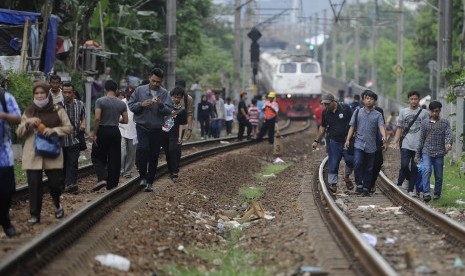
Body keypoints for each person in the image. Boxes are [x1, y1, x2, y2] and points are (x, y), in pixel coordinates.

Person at [16, 81, 73, 224]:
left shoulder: (57, 110)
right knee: (34, 184)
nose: (40, 96)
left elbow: (69, 128)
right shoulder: (28, 112)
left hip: (52, 152)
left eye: (42, 93)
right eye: (37, 93)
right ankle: (35, 214)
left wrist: (54, 130)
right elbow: (19, 133)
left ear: (47, 94)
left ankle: (56, 202)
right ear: (34, 95)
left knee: (55, 184)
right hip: (32, 153)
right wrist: (27, 123)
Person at [128, 68, 173, 192]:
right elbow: (131, 105)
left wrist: (161, 105)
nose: (155, 84)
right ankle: (142, 176)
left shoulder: (165, 93)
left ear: (161, 81)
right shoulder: (139, 90)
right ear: (149, 78)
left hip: (157, 128)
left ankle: (150, 182)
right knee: (142, 149)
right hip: (142, 126)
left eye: (158, 82)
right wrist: (141, 105)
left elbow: (169, 110)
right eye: (153, 81)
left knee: (154, 155)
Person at [345, 90, 386, 196]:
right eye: (367, 98)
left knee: (369, 168)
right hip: (359, 143)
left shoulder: (378, 115)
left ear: (375, 102)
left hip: (371, 145)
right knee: (357, 163)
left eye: (371, 99)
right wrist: (348, 139)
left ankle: (366, 188)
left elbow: (381, 126)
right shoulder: (357, 112)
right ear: (363, 100)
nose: (369, 101)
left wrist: (384, 137)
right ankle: (359, 184)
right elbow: (352, 126)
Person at [312, 94, 354, 193]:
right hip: (334, 141)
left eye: (327, 104)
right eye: (324, 104)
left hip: (347, 140)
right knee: (333, 162)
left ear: (333, 102)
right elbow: (322, 127)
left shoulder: (345, 108)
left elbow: (353, 122)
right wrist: (316, 141)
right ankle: (333, 184)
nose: (325, 106)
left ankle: (346, 176)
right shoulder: (325, 112)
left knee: (350, 160)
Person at [389, 91, 428, 196]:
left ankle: (411, 190)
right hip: (406, 143)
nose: (414, 101)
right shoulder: (403, 112)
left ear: (418, 100)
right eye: (412, 99)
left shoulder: (424, 113)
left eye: (415, 99)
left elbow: (427, 129)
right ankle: (410, 179)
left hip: (418, 146)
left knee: (415, 167)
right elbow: (399, 128)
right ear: (408, 100)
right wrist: (395, 141)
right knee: (404, 165)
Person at [91, 80, 128, 191]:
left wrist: (94, 133)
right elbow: (126, 120)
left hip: (102, 130)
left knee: (96, 156)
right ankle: (112, 184)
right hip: (115, 131)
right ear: (116, 90)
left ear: (105, 90)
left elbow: (97, 118)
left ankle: (102, 177)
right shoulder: (121, 103)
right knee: (114, 158)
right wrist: (117, 120)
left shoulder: (100, 101)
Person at [415, 101, 453, 202]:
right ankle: (427, 193)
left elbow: (449, 134)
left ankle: (437, 194)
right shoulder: (424, 123)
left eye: (437, 111)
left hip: (439, 153)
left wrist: (449, 143)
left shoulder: (445, 122)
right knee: (426, 170)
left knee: (439, 175)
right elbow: (421, 139)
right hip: (426, 151)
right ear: (429, 111)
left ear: (440, 111)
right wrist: (417, 154)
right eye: (433, 111)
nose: (435, 113)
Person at [0, 75, 21, 237]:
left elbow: (17, 118)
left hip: (4, 155)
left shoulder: (5, 97)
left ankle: (4, 219)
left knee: (7, 191)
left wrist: (3, 116)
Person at [59, 83, 86, 193]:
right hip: (61, 141)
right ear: (62, 93)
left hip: (74, 140)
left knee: (73, 163)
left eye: (69, 92)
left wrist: (83, 124)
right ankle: (64, 184)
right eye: (65, 92)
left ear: (73, 93)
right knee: (63, 164)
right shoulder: (58, 106)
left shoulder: (80, 104)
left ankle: (72, 184)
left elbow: (83, 117)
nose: (67, 95)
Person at [161, 86, 187, 179]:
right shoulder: (166, 106)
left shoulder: (182, 110)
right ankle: (170, 170)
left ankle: (175, 171)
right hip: (164, 133)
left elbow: (182, 124)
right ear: (171, 96)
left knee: (173, 150)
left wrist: (180, 136)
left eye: (178, 97)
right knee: (167, 152)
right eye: (174, 97)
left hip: (175, 133)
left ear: (181, 98)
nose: (176, 99)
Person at [119, 87, 137, 178]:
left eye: (131, 95)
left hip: (134, 131)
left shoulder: (137, 103)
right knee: (123, 152)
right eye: (128, 95)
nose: (129, 97)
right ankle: (121, 169)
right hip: (121, 129)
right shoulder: (121, 102)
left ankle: (128, 172)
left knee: (131, 153)